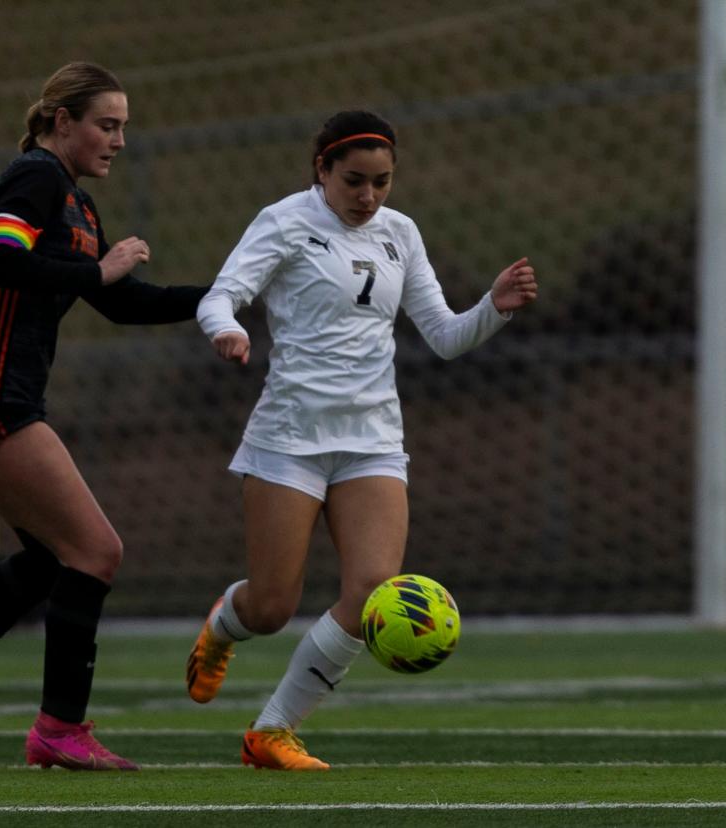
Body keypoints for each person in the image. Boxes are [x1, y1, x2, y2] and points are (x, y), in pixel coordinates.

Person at [187, 110, 538, 770]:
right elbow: (220, 296)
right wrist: (226, 330)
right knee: (271, 606)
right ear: (321, 170)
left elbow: (444, 336)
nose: (369, 196)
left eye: (382, 182)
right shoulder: (285, 221)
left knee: (373, 588)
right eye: (354, 181)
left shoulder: (400, 233)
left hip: (373, 438)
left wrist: (493, 308)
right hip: (290, 437)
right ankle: (223, 627)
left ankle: (271, 732)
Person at [0, 62, 206, 771]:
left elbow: (123, 303)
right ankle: (60, 729)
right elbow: (2, 260)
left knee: (48, 560)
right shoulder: (34, 179)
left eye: (124, 126)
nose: (119, 140)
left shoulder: (77, 205)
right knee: (95, 552)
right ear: (62, 123)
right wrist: (99, 271)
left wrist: (225, 297)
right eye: (107, 124)